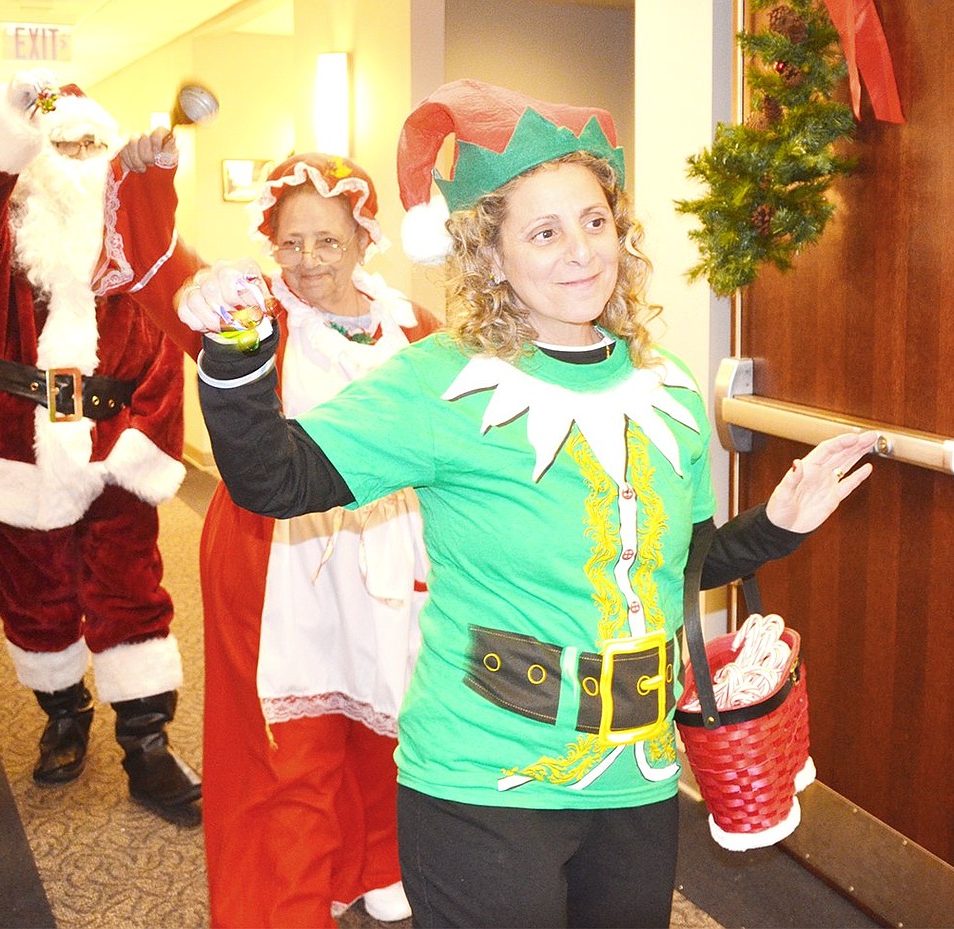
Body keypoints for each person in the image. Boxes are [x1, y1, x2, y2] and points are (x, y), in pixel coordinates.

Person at [177, 80, 878, 928]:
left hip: (638, 777)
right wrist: (239, 346)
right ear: (491, 252)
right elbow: (273, 480)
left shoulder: (671, 390)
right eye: (544, 232)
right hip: (482, 779)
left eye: (594, 221)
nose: (581, 252)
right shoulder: (442, 380)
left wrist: (778, 525)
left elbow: (680, 570)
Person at [0, 70, 203, 820]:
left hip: (114, 453)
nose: (73, 157)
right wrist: (9, 119)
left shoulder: (138, 251)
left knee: (131, 597)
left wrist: (138, 450)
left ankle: (147, 746)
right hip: (7, 450)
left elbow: (166, 357)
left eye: (89, 144)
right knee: (31, 600)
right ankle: (63, 717)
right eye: (59, 144)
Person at [178, 153, 437, 928]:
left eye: (327, 242)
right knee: (287, 741)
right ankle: (283, 904)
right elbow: (208, 342)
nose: (309, 262)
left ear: (364, 238)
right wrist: (217, 314)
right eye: (291, 243)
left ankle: (374, 862)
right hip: (275, 556)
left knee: (389, 711)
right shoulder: (260, 319)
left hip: (389, 547)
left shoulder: (413, 325)